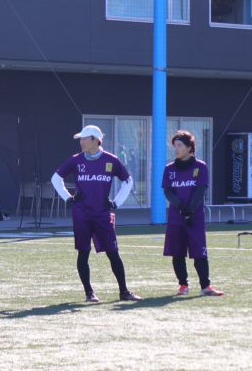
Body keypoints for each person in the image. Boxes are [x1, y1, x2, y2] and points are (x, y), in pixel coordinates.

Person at [51, 125, 141, 303]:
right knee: (83, 253)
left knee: (113, 252)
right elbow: (56, 178)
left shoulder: (111, 160)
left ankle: (124, 291)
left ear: (95, 140)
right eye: (81, 139)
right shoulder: (76, 160)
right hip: (81, 214)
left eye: (84, 138)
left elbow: (128, 181)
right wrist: (68, 198)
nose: (81, 142)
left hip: (102, 214)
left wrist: (116, 202)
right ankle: (89, 293)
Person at [162, 130, 223, 297]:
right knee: (177, 253)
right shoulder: (169, 169)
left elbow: (200, 190)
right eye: (175, 145)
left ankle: (205, 287)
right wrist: (181, 208)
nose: (176, 149)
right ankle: (183, 286)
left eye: (179, 145)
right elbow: (168, 192)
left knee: (199, 253)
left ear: (190, 148)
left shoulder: (200, 166)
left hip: (195, 218)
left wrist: (190, 210)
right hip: (176, 219)